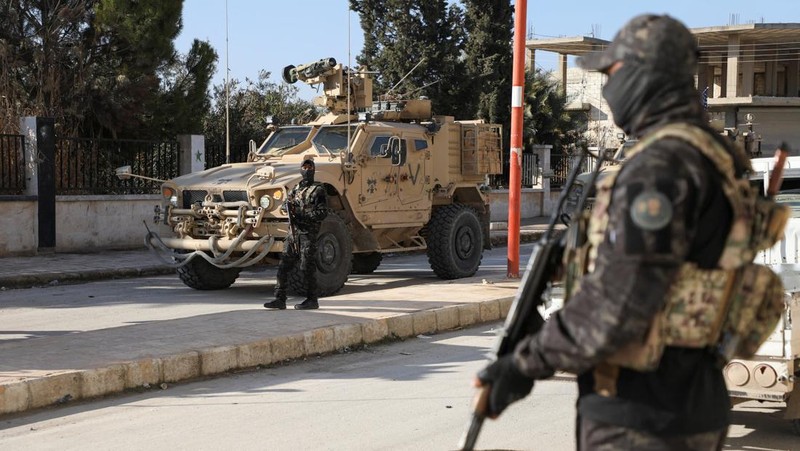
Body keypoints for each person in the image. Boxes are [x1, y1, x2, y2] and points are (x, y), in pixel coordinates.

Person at [474, 14, 770, 449]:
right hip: (689, 400)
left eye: (613, 73)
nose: (609, 88)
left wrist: (524, 363)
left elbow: (621, 300)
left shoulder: (660, 168)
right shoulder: (713, 159)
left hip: (641, 416)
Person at [264, 159, 328, 310]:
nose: (307, 170)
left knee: (307, 267)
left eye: (309, 167)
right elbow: (288, 204)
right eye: (304, 167)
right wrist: (289, 209)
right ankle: (280, 299)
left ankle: (312, 299)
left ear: (313, 169)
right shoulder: (296, 188)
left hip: (307, 234)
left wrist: (303, 214)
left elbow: (322, 212)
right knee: (284, 266)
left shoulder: (318, 189)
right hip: (293, 233)